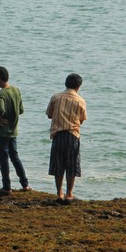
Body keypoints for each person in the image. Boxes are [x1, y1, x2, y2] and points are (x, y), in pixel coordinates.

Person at [46, 73, 87, 203]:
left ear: (66, 84)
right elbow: (82, 119)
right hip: (72, 136)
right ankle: (69, 194)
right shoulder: (80, 100)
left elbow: (49, 114)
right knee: (71, 166)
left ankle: (59, 193)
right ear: (78, 86)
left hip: (57, 135)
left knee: (58, 165)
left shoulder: (56, 97)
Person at [0, 65, 32, 195]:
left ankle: (6, 187)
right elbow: (21, 110)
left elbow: (1, 109)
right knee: (15, 157)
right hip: (14, 131)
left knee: (3, 160)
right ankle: (25, 184)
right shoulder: (16, 90)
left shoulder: (1, 93)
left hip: (2, 132)